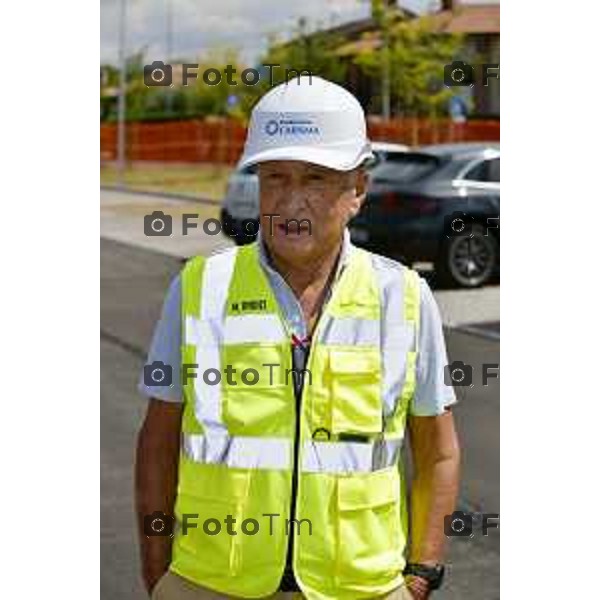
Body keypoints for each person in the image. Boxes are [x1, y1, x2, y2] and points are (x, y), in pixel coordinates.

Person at [135, 76, 460, 600]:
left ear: (357, 189)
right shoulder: (200, 288)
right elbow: (158, 440)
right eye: (275, 178)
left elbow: (438, 450)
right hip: (211, 584)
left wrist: (421, 574)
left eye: (314, 179)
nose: (290, 201)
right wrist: (158, 575)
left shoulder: (403, 297)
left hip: (360, 589)